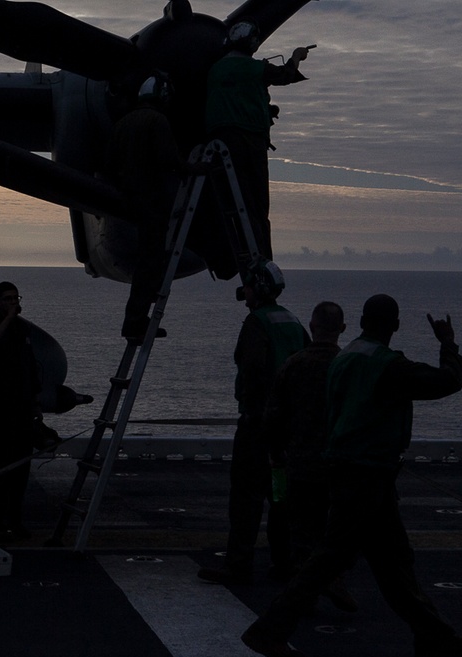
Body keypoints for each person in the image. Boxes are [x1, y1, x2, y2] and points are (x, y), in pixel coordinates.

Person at [242, 294, 462, 657]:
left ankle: (434, 636)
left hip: (350, 471)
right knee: (330, 560)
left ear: (362, 321)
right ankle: (268, 631)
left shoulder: (347, 357)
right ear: (395, 326)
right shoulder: (387, 366)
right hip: (366, 475)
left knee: (393, 562)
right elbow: (445, 381)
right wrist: (447, 343)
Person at [198, 260, 308, 585]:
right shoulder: (293, 321)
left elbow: (254, 374)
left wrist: (255, 415)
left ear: (257, 288)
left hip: (259, 429)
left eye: (247, 286)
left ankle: (238, 565)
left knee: (246, 497)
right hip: (288, 432)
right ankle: (284, 563)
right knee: (279, 496)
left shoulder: (256, 323)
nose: (243, 292)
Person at [262, 300, 356, 613]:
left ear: (312, 327)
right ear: (342, 329)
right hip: (339, 466)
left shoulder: (292, 365)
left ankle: (303, 596)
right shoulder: (348, 367)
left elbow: (274, 416)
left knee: (302, 534)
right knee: (335, 532)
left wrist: (276, 454)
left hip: (299, 464)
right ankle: (335, 580)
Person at [205, 20, 312, 259]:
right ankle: (263, 261)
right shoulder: (253, 68)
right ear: (251, 43)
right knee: (257, 205)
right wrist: (296, 57)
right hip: (248, 141)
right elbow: (285, 75)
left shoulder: (214, 70)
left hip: (217, 142)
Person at [106, 75, 198, 340]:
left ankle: (135, 320)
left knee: (146, 264)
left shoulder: (123, 123)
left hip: (127, 201)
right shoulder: (158, 121)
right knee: (150, 263)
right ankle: (135, 322)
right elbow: (171, 160)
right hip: (151, 203)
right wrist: (195, 169)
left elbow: (108, 164)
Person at [0, 281, 47, 539]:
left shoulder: (23, 329)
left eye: (15, 298)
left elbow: (30, 366)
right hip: (2, 404)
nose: (13, 302)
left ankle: (15, 520)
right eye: (7, 298)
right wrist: (6, 318)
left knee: (20, 465)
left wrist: (36, 402)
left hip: (23, 404)